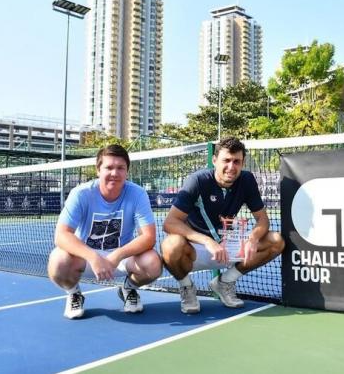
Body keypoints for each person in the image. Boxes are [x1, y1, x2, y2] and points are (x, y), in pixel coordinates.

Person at [161, 136, 285, 314]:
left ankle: (225, 282)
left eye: (237, 161)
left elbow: (263, 219)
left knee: (276, 240)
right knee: (170, 245)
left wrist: (253, 239)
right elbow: (170, 222)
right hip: (196, 250)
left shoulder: (247, 180)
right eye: (226, 160)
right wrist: (207, 241)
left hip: (229, 247)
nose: (231, 167)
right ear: (214, 160)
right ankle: (187, 287)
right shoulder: (197, 181)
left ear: (242, 163)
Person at [48, 144, 162, 319]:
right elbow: (61, 235)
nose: (114, 173)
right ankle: (74, 293)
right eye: (109, 167)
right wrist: (93, 257)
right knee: (57, 261)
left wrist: (116, 256)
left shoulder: (138, 194)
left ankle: (128, 288)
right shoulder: (81, 194)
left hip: (121, 258)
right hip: (85, 259)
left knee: (153, 263)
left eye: (120, 168)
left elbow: (148, 237)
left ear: (127, 172)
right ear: (98, 170)